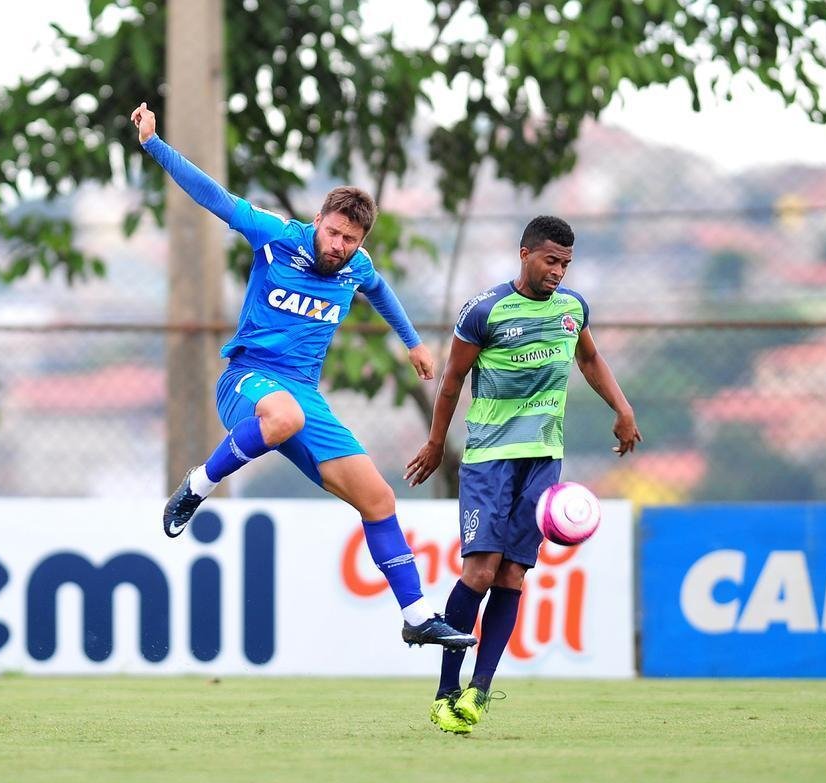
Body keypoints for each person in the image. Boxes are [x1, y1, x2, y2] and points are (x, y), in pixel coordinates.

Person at [130, 102, 476, 652]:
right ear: (318, 222)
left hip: (303, 400)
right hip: (248, 382)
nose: (339, 247)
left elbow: (381, 291)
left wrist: (412, 342)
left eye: (350, 241)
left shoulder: (356, 267)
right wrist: (153, 143)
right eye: (333, 233)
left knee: (380, 499)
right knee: (284, 413)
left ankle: (416, 614)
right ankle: (198, 486)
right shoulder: (275, 236)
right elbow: (213, 195)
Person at [405, 215, 641, 733]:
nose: (558, 271)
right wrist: (435, 441)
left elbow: (591, 360)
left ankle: (479, 694)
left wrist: (622, 410)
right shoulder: (484, 312)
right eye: (550, 260)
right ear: (525, 254)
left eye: (565, 264)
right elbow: (451, 382)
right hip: (489, 459)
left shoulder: (573, 310)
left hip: (543, 459)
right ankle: (446, 691)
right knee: (481, 572)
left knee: (513, 574)